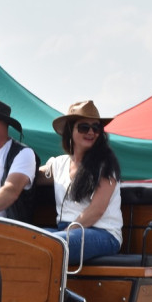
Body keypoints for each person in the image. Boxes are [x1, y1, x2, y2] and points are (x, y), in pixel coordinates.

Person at [37, 100, 122, 265]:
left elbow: (96, 211)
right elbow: (28, 176)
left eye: (96, 128)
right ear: (70, 130)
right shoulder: (58, 164)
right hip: (67, 232)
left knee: (48, 245)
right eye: (84, 127)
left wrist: (67, 232)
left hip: (103, 234)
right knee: (23, 240)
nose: (91, 132)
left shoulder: (106, 165)